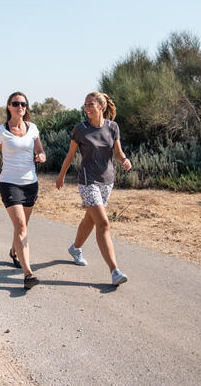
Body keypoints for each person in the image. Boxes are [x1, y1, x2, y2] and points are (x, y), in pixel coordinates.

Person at [56, 91, 132, 286]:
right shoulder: (80, 129)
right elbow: (71, 154)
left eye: (91, 104)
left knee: (90, 219)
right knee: (103, 223)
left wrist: (124, 160)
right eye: (85, 105)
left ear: (101, 106)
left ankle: (75, 248)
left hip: (107, 181)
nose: (87, 108)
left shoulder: (112, 127)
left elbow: (117, 151)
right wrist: (62, 175)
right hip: (88, 182)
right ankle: (114, 271)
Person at [0, 91, 46, 290]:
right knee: (22, 227)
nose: (20, 107)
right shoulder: (0, 131)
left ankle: (14, 252)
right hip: (9, 183)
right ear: (9, 106)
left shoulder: (33, 128)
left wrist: (41, 156)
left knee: (21, 226)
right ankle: (28, 274)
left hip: (30, 184)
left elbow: (40, 150)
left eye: (23, 104)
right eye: (16, 103)